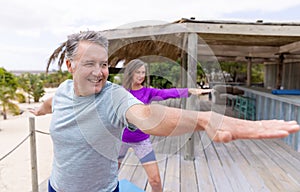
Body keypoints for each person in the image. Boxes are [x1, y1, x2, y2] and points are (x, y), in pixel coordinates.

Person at [29, 30, 300, 192]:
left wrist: (204, 119)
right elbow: (52, 104)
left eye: (103, 64)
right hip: (57, 186)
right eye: (90, 63)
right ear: (70, 65)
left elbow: (150, 117)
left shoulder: (114, 97)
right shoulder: (63, 91)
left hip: (104, 187)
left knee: (153, 177)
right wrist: (37, 111)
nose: (100, 72)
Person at [118, 59, 211, 192]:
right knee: (109, 176)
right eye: (137, 72)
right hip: (119, 140)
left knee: (155, 180)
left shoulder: (148, 92)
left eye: (143, 72)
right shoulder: (120, 92)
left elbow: (167, 93)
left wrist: (188, 91)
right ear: (130, 73)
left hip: (141, 140)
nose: (141, 75)